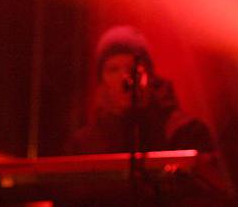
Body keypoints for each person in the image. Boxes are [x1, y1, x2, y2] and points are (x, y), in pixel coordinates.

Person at [66, 25, 214, 155]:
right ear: (101, 80)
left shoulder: (184, 133)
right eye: (113, 70)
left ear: (149, 75)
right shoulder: (84, 145)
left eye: (132, 69)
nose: (124, 78)